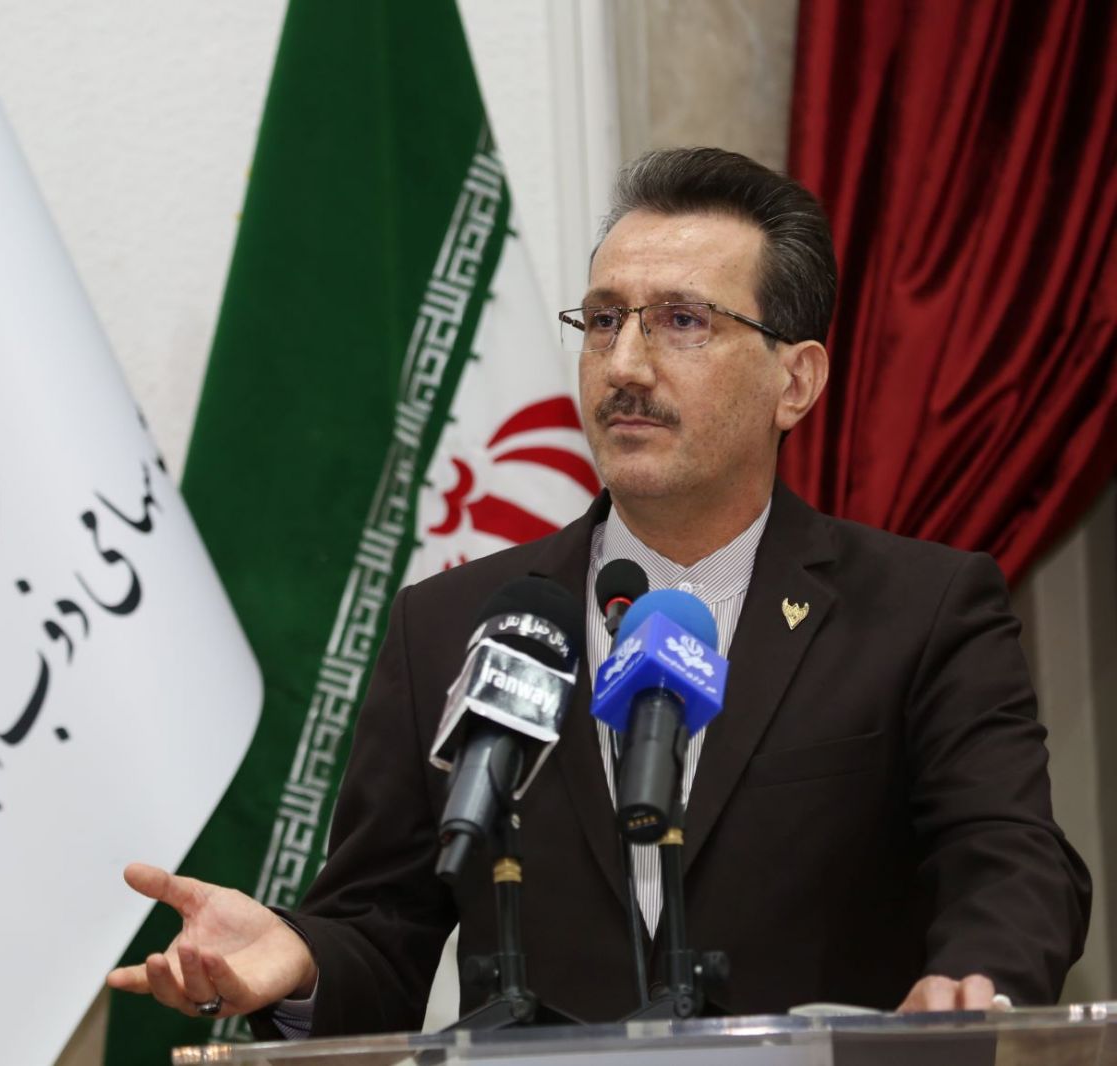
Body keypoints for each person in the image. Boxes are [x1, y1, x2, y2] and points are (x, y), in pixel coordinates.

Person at [106, 147, 1091, 1035]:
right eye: (604, 320)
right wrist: (299, 956)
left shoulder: (920, 610)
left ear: (795, 381)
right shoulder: (451, 624)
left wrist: (976, 985)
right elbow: (383, 924)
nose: (624, 365)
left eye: (681, 322)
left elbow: (1011, 858)